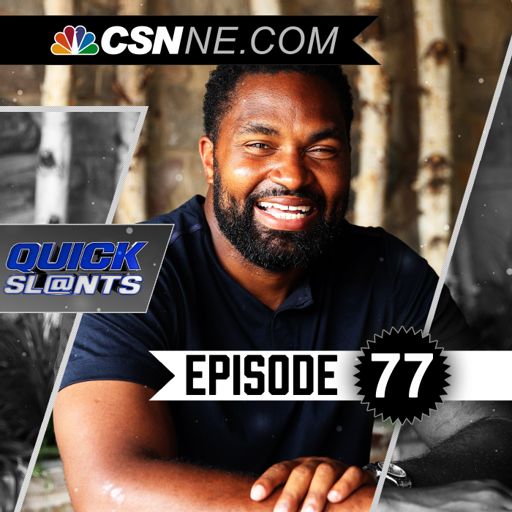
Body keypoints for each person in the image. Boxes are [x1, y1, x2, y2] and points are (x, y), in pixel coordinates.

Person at [54, 65, 512, 512]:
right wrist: (358, 507)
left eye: (322, 150)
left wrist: (380, 482)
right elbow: (106, 488)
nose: (292, 175)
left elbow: (493, 429)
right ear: (210, 158)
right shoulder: (124, 268)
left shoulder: (386, 272)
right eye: (259, 144)